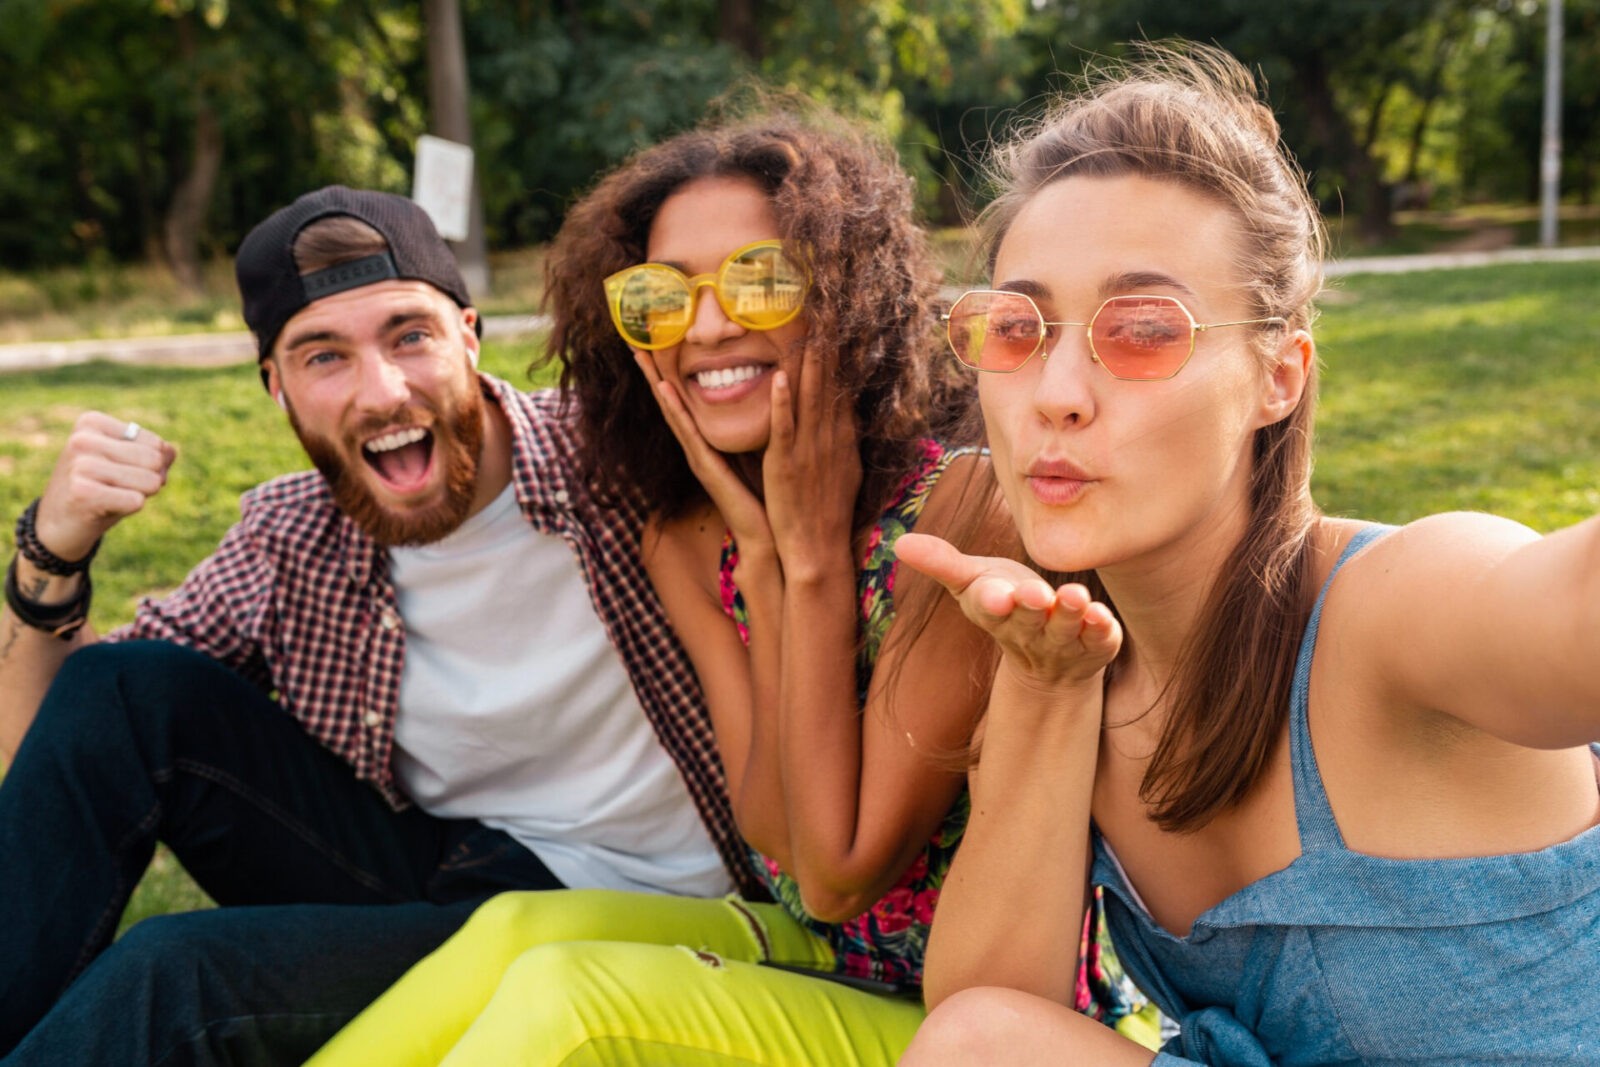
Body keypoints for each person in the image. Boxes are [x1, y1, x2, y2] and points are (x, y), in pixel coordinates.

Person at [309, 111, 1146, 1067]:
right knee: (512, 929)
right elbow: (773, 830)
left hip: (983, 1022)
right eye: (660, 297)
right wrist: (766, 554)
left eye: (757, 281)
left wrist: (814, 562)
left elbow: (838, 869)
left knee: (566, 997)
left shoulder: (965, 511)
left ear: (846, 293)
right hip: (832, 961)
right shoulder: (687, 531)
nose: (706, 327)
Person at [892, 42, 1600, 1066]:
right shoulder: (1068, 649)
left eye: (1139, 329)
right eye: (1018, 325)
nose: (1055, 390)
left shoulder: (1398, 605)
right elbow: (984, 1018)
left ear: (1279, 375)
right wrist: (1047, 693)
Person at [0, 185, 763, 1065]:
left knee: (175, 974)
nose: (384, 390)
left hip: (655, 912)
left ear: (469, 338)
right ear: (275, 388)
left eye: (409, 335)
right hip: (443, 877)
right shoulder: (290, 539)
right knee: (118, 691)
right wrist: (50, 555)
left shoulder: (623, 457)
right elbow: (62, 756)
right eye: (324, 357)